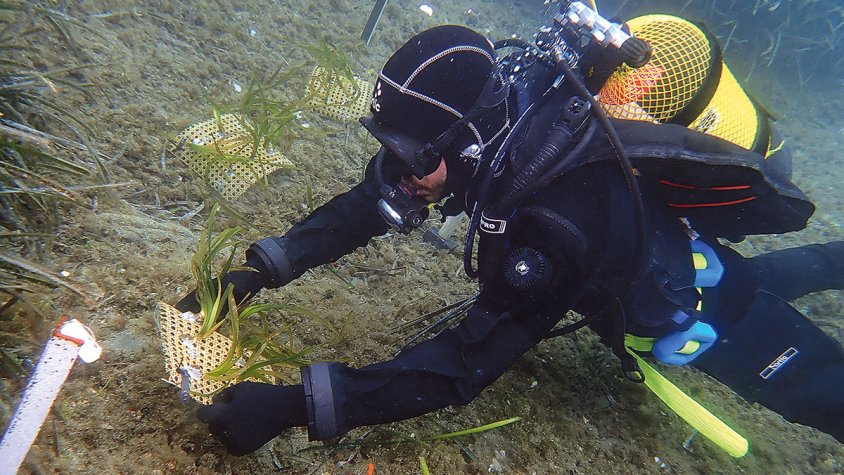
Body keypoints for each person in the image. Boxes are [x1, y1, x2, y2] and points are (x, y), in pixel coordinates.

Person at [177, 10, 844, 457]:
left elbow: (463, 364)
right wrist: (263, 268)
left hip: (693, 307)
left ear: (465, 143)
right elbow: (369, 201)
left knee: (820, 387)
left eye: (412, 155)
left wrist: (292, 405)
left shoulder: (554, 227)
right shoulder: (499, 102)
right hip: (653, 243)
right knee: (761, 274)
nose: (400, 172)